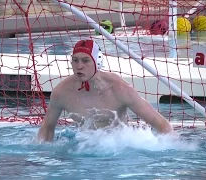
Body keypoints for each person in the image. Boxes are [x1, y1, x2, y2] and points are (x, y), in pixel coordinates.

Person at [37, 39, 176, 142]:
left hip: (119, 151)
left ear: (97, 62)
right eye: (75, 60)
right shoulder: (62, 92)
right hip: (83, 150)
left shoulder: (118, 89)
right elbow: (47, 129)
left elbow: (161, 124)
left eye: (85, 61)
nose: (79, 66)